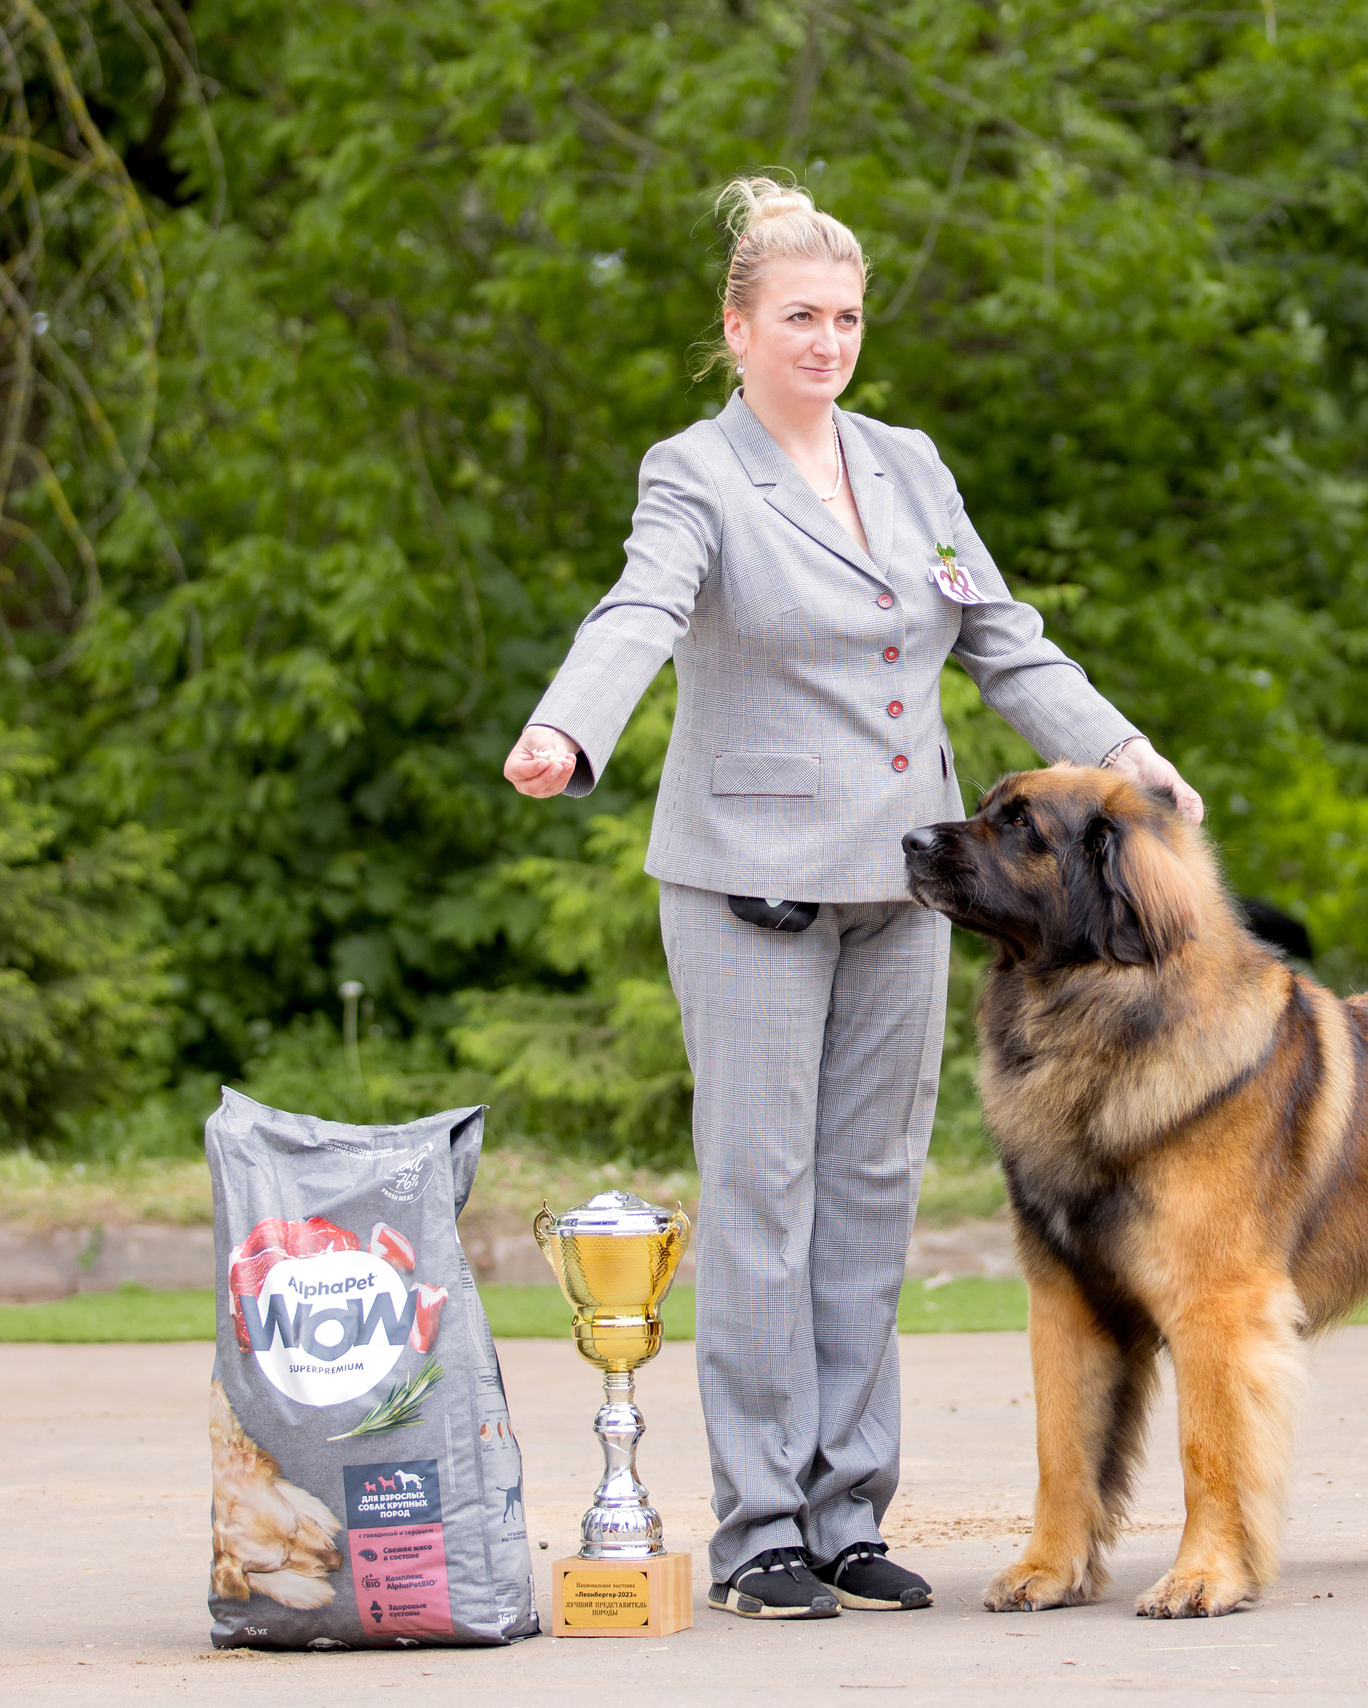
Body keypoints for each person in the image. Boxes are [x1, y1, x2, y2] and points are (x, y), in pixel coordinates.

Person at [503, 177, 1202, 1621]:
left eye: (848, 318)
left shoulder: (908, 463)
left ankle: (845, 1510)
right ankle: (760, 1524)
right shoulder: (695, 473)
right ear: (738, 326)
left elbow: (1004, 639)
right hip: (750, 881)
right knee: (765, 1196)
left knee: (873, 1195)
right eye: (800, 318)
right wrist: (570, 730)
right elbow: (639, 607)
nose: (827, 343)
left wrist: (1126, 755)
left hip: (907, 881)